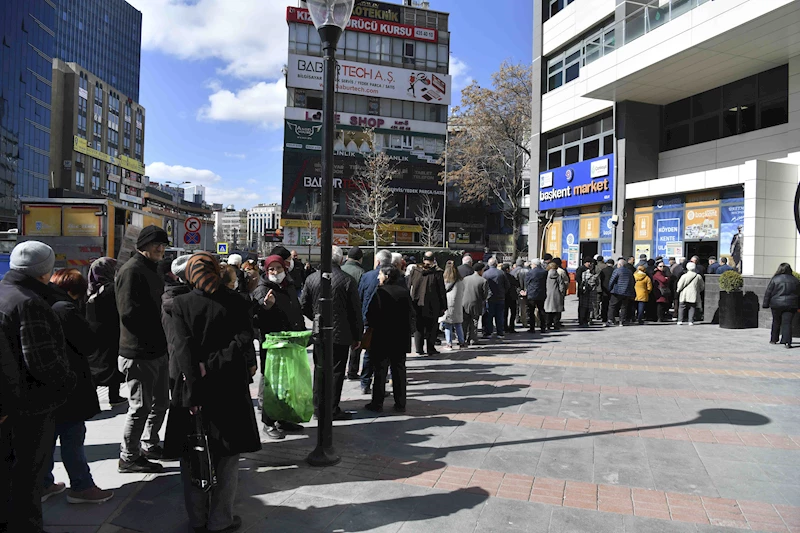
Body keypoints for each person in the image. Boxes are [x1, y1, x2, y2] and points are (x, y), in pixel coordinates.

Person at [163, 252, 261, 533]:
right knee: (227, 458)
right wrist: (217, 362)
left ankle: (198, 518)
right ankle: (220, 520)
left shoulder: (181, 303)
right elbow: (243, 341)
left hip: (192, 387)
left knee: (192, 454)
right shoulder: (237, 301)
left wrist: (194, 389)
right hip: (229, 387)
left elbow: (182, 349)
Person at [0, 241, 76, 532]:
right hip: (30, 407)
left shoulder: (5, 292)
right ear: (45, 272)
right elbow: (43, 363)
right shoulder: (29, 302)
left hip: (9, 403)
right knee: (27, 480)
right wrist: (68, 383)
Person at [42, 269, 113, 504]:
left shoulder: (41, 302)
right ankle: (81, 486)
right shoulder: (66, 309)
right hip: (69, 380)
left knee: (48, 436)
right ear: (74, 291)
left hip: (45, 382)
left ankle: (44, 484)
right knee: (73, 435)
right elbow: (88, 342)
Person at [116, 225, 170, 473]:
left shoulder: (152, 268)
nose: (160, 248)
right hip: (138, 352)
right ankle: (128, 457)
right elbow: (128, 314)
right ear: (143, 245)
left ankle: (149, 444)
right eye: (156, 244)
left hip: (156, 349)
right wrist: (159, 320)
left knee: (160, 403)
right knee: (139, 407)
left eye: (163, 245)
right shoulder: (132, 270)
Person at [301, 246, 363, 420]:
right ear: (340, 260)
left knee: (319, 370)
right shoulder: (347, 280)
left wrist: (316, 317)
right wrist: (357, 336)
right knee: (336, 372)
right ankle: (332, 408)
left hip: (319, 332)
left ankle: (317, 407)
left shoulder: (311, 279)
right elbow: (355, 311)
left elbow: (303, 305)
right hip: (341, 333)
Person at [252, 255, 306, 440]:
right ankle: (268, 422)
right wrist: (265, 307)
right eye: (271, 269)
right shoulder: (263, 289)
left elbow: (295, 309)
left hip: (290, 340)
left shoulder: (288, 286)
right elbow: (256, 316)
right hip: (273, 343)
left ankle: (283, 418)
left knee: (287, 382)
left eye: (278, 268)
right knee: (272, 384)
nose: (275, 272)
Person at [364, 266, 414, 413]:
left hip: (382, 337)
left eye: (380, 274)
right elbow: (411, 314)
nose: (378, 277)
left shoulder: (380, 292)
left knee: (380, 371)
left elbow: (370, 314)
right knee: (399, 371)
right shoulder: (404, 292)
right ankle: (400, 403)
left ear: (386, 276)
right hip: (400, 337)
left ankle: (377, 403)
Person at [86, 257, 126, 406]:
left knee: (95, 363)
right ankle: (114, 396)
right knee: (111, 363)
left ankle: (92, 396)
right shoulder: (112, 289)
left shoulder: (90, 289)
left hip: (93, 330)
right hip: (111, 330)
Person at [358, 250, 393, 395]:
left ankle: (365, 382)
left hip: (368, 319)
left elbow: (359, 296)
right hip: (388, 321)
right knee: (384, 355)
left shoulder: (366, 276)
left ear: (377, 261)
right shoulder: (396, 277)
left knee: (368, 352)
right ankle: (380, 385)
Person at [408, 251, 447, 354]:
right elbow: (441, 291)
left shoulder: (415, 270)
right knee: (432, 327)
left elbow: (409, 286)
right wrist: (444, 305)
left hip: (417, 303)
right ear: (434, 260)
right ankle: (430, 348)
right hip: (432, 304)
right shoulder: (437, 273)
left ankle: (419, 348)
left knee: (418, 326)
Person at [341, 246, 366, 380]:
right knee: (356, 342)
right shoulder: (361, 272)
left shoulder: (340, 269)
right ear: (360, 259)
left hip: (339, 312)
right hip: (356, 311)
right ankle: (352, 370)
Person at [763, 263, 800, 349]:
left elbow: (768, 292)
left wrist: (766, 304)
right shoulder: (795, 280)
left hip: (776, 304)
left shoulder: (775, 279)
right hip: (791, 305)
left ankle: (774, 339)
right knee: (787, 323)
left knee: (776, 321)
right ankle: (787, 342)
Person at [462, 262, 490, 345]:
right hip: (476, 303)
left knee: (465, 322)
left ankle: (463, 338)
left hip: (464, 303)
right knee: (474, 321)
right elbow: (485, 294)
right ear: (481, 270)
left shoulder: (465, 279)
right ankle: (473, 339)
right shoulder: (483, 280)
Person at [441, 261, 466, 349]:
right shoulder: (460, 280)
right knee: (458, 324)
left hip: (448, 304)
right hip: (458, 304)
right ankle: (462, 342)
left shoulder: (446, 280)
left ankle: (449, 343)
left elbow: (443, 290)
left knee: (448, 324)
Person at [482, 258, 509, 338]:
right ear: (496, 264)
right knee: (499, 315)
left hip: (489, 298)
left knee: (489, 316)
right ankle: (500, 332)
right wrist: (503, 292)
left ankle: (489, 332)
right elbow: (507, 285)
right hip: (500, 297)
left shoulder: (485, 274)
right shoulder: (501, 273)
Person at [607, 258, 635, 327]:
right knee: (624, 307)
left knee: (612, 306)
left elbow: (612, 280)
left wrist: (609, 289)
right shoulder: (629, 272)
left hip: (617, 291)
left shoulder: (617, 270)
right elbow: (633, 282)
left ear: (619, 264)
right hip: (626, 292)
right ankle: (622, 321)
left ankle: (610, 320)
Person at [525, 259, 547, 333]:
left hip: (532, 294)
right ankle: (543, 327)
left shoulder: (530, 272)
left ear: (534, 264)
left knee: (531, 311)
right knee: (541, 310)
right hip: (541, 293)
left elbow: (526, 282)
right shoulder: (544, 272)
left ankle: (532, 327)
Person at [544, 262, 566, 330]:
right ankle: (556, 325)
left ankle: (548, 324)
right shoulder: (558, 275)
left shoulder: (546, 275)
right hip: (557, 294)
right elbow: (561, 286)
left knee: (548, 310)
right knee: (557, 311)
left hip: (548, 294)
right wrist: (562, 293)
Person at [577, 258, 598, 327]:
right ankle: (585, 319)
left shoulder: (587, 272)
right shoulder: (581, 270)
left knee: (585, 306)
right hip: (586, 291)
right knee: (586, 306)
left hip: (586, 291)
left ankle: (584, 319)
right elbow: (578, 278)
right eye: (588, 262)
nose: (589, 264)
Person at [502, 263, 519, 333]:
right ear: (507, 269)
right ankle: (511, 327)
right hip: (512, 296)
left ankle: (505, 327)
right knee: (513, 312)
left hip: (504, 296)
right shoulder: (510, 276)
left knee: (504, 313)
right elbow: (517, 284)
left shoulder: (501, 276)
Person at [514, 261, 531, 329]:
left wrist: (520, 291)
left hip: (521, 292)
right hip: (530, 292)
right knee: (532, 307)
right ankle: (532, 320)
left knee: (522, 308)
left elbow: (515, 282)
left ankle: (524, 322)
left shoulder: (518, 272)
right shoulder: (531, 272)